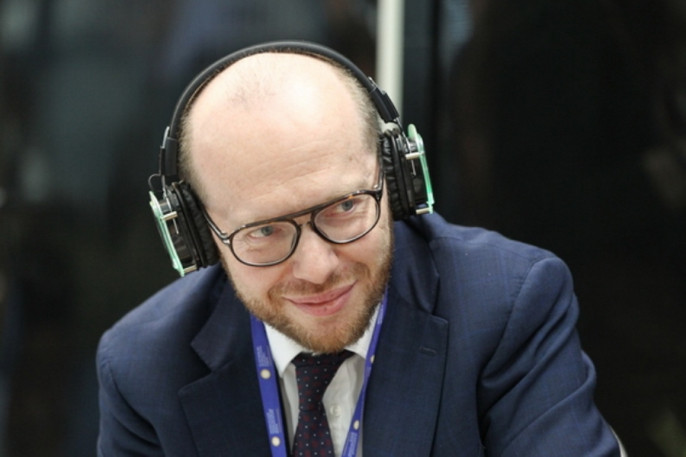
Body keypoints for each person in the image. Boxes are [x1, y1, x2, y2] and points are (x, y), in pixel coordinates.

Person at [96, 41, 622, 456]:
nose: (317, 267)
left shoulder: (508, 305)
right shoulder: (143, 368)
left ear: (396, 179)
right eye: (264, 231)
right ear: (198, 234)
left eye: (344, 206)